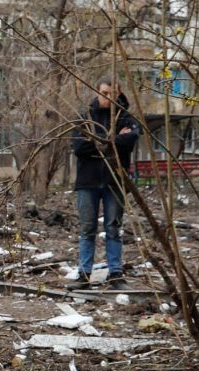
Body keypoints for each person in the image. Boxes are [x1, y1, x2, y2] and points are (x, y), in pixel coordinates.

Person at [69, 78, 140, 291]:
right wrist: (112, 140)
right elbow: (79, 148)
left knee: (113, 227)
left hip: (114, 180)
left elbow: (130, 141)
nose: (108, 97)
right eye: (104, 92)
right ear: (97, 92)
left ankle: (116, 274)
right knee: (87, 228)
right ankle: (84, 274)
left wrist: (98, 142)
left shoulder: (125, 118)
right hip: (88, 181)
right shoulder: (85, 118)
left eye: (112, 93)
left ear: (118, 94)